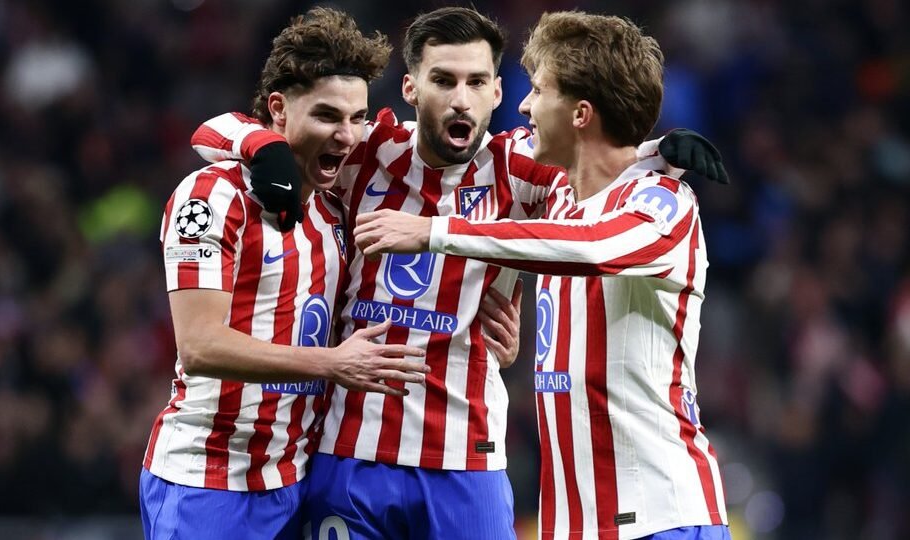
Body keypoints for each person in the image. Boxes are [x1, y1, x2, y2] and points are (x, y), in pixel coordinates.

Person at [189, 7, 726, 539]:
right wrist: (260, 143)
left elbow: (596, 172)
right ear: (411, 88)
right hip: (351, 450)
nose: (460, 98)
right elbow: (219, 130)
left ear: (496, 92)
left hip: (467, 459)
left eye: (477, 82)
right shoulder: (366, 151)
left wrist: (651, 154)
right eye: (443, 80)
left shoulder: (519, 169)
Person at [354, 11, 731, 540]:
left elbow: (592, 247)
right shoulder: (557, 201)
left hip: (661, 519)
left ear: (579, 114)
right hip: (572, 526)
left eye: (538, 90)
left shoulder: (664, 201)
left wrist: (432, 232)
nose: (525, 105)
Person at [139, 9, 429, 540]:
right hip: (209, 482)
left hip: (297, 482)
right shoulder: (211, 197)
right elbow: (199, 346)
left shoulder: (335, 208)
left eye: (357, 117)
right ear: (278, 108)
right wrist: (332, 364)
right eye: (326, 116)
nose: (346, 136)